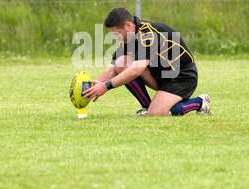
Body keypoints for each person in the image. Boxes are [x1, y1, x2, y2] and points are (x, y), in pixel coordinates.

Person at [83, 7, 212, 117]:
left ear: (128, 26)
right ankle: (146, 107)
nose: (115, 38)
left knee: (156, 113)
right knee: (122, 62)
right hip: (160, 76)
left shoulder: (149, 34)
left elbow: (136, 70)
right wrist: (90, 90)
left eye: (117, 34)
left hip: (182, 77)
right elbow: (111, 70)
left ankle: (200, 102)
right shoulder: (128, 39)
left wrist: (105, 87)